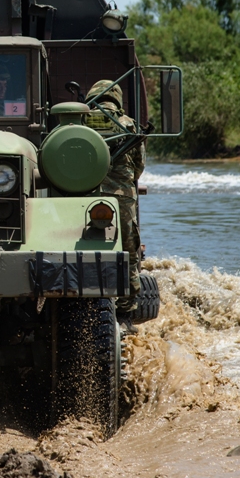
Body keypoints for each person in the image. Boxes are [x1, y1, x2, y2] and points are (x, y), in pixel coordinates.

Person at [85, 79, 145, 333]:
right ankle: (125, 315)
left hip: (85, 197)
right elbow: (139, 166)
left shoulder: (81, 123)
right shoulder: (129, 124)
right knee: (128, 251)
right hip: (122, 198)